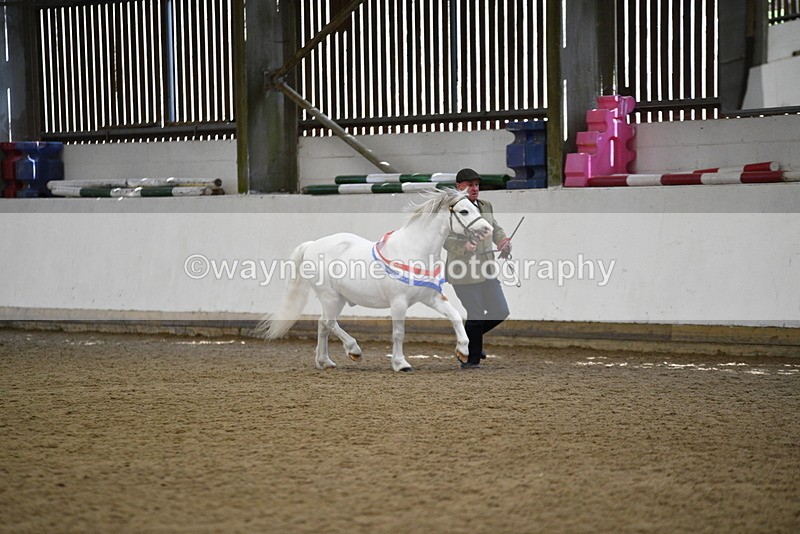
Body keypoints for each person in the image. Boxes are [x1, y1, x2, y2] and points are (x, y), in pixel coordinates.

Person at [443, 168, 511, 369]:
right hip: (462, 269)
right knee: (476, 313)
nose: (475, 189)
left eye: (477, 185)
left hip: (487, 268)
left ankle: (470, 340)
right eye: (470, 185)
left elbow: (495, 228)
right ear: (459, 187)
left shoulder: (486, 206)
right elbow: (446, 239)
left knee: (500, 310)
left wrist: (503, 242)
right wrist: (463, 247)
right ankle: (470, 361)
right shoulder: (450, 209)